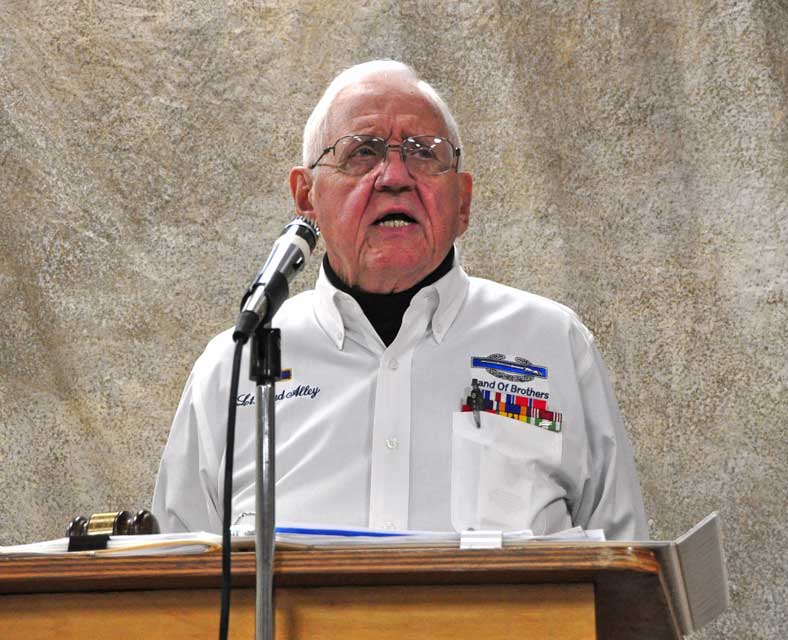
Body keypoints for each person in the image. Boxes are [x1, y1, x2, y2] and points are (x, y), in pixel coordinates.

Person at [152, 60, 648, 540]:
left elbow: (626, 577)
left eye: (424, 152)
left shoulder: (552, 344)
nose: (394, 176)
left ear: (463, 202)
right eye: (362, 152)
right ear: (305, 197)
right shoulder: (234, 367)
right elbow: (168, 595)